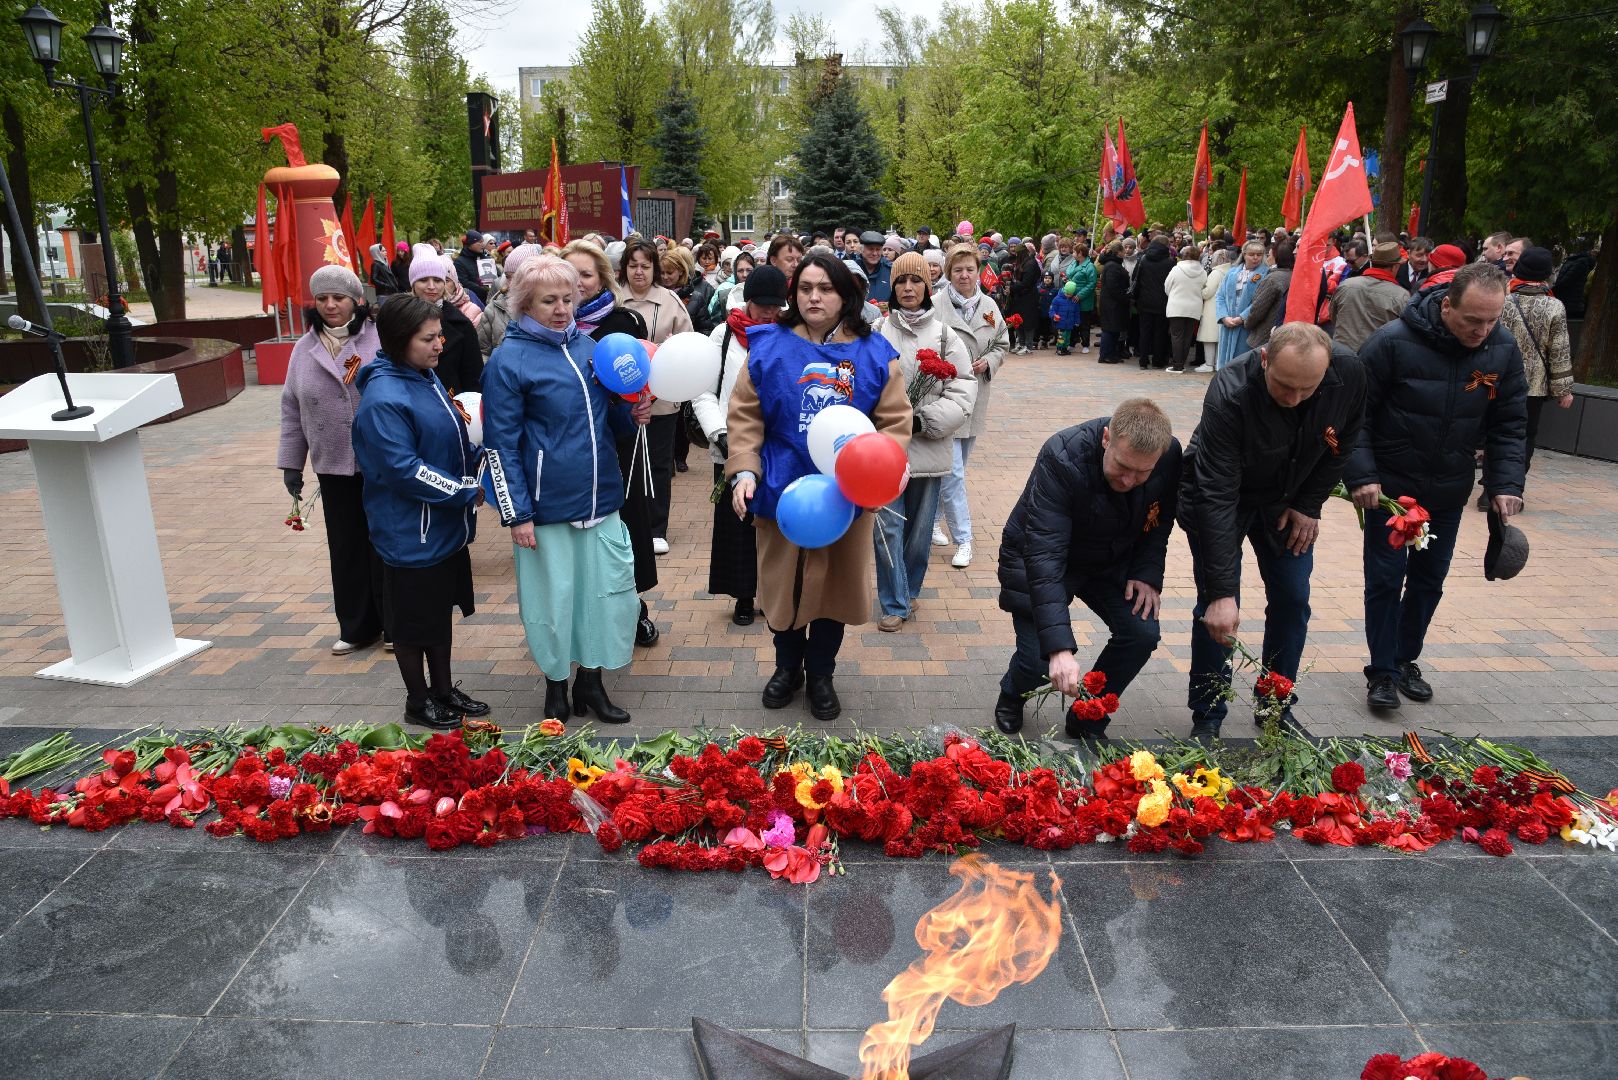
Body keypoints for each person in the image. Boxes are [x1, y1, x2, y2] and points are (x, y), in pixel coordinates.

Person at [726, 252, 911, 720]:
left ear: (845, 294)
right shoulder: (768, 347)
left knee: (835, 588)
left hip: (845, 493)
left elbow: (893, 420)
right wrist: (744, 469)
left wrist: (888, 465)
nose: (814, 296)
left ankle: (822, 672)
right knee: (781, 586)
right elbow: (745, 415)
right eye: (805, 287)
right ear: (793, 294)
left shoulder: (873, 353)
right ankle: (787, 668)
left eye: (825, 288)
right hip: (783, 488)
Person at [1344, 263, 1527, 712]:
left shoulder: (1502, 349)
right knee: (1386, 580)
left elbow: (1509, 424)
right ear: (1447, 306)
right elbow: (1354, 416)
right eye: (1472, 321)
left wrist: (1505, 482)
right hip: (1392, 490)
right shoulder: (1391, 342)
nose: (1482, 330)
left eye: (1492, 321)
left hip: (1447, 490)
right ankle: (1382, 672)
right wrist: (1363, 476)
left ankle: (1406, 659)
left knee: (1429, 582)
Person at [482, 255, 652, 725]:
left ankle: (591, 685)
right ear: (524, 305)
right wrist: (516, 512)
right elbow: (499, 446)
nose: (560, 309)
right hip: (545, 507)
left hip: (600, 500)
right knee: (552, 601)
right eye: (547, 301)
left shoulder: (589, 348)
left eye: (567, 299)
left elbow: (606, 421)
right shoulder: (508, 361)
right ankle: (555, 687)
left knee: (606, 595)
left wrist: (630, 413)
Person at [1180, 323, 1367, 738]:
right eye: (1284, 386)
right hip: (1222, 495)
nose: (1295, 399)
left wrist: (1307, 504)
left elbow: (1345, 441)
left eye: (1308, 389)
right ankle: (1208, 714)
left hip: (1289, 499)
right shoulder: (1230, 392)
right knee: (1217, 612)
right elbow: (1216, 495)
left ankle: (1275, 704)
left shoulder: (1349, 373)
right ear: (1265, 359)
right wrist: (1222, 592)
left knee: (1292, 598)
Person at [994, 399, 1181, 740]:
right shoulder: (1062, 456)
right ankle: (1011, 693)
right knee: (1038, 661)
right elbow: (1045, 554)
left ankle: (1088, 714)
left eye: (1143, 472)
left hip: (1110, 557)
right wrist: (1059, 650)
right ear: (1107, 438)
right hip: (1041, 558)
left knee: (1141, 634)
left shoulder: (1168, 455)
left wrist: (1147, 570)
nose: (1130, 480)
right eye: (1123, 466)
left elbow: (1160, 519)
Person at [351, 296, 487, 730]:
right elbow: (404, 470)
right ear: (398, 341)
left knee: (437, 614)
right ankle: (418, 699)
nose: (439, 345)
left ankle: (444, 690)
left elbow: (447, 437)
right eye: (428, 338)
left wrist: (478, 455)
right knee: (412, 626)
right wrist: (465, 490)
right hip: (412, 532)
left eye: (440, 335)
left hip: (441, 528)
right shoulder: (385, 397)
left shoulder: (424, 376)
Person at [278, 265, 387, 656]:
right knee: (346, 547)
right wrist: (293, 462)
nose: (329, 305)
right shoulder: (303, 348)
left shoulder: (379, 337)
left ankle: (392, 624)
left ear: (356, 300)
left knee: (384, 542)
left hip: (381, 461)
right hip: (334, 462)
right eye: (322, 298)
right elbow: (291, 407)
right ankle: (357, 627)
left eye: (338, 298)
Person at [560, 239, 661, 649]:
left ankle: (633, 609)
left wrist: (639, 405)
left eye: (585, 274)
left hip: (617, 445)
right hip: (568, 450)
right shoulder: (549, 328)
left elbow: (636, 378)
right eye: (570, 274)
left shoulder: (624, 323)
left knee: (624, 531)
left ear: (602, 278)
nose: (578, 283)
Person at [874, 251, 976, 631]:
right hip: (884, 451)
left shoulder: (946, 334)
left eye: (915, 280)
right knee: (887, 527)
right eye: (901, 281)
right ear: (893, 287)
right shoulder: (878, 332)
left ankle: (909, 587)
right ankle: (894, 602)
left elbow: (964, 390)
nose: (908, 287)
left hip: (928, 448)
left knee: (918, 533)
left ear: (927, 287)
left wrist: (924, 419)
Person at [692, 265, 789, 627]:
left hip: (777, 444)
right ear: (748, 300)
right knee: (739, 521)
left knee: (775, 519)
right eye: (762, 304)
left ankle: (773, 591)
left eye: (775, 305)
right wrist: (718, 431)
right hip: (731, 444)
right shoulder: (724, 335)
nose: (768, 311)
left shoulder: (788, 334)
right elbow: (704, 388)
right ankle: (744, 594)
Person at [932, 245, 1009, 568]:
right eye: (958, 270)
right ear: (949, 272)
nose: (964, 276)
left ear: (978, 271)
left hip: (976, 397)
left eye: (970, 269)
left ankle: (934, 520)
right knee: (953, 474)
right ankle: (965, 539)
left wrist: (988, 361)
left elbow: (1002, 342)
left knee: (953, 468)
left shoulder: (989, 305)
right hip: (945, 397)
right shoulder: (935, 305)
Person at [619, 237, 694, 554]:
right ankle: (624, 525)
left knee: (658, 464)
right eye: (633, 266)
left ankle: (655, 527)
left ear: (655, 269)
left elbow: (688, 345)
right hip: (619, 400)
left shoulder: (670, 302)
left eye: (645, 266)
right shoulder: (613, 300)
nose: (639, 272)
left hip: (661, 398)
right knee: (626, 462)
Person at [1498, 246, 1573, 497]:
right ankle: (1513, 487)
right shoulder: (1554, 307)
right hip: (1534, 386)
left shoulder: (1504, 301)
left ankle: (1490, 486)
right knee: (1525, 436)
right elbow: (1559, 351)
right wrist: (1563, 390)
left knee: (1495, 432)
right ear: (1546, 274)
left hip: (1499, 380)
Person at [407, 249, 483, 395]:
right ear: (413, 284)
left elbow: (473, 379)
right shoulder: (400, 320)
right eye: (423, 280)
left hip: (451, 406)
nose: (431, 286)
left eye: (437, 280)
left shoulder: (462, 325)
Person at [1331, 240, 1409, 352]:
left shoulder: (1346, 285)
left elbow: (1333, 317)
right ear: (1394, 267)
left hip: (1341, 354)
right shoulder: (1401, 296)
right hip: (1375, 358)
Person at [477, 244, 544, 358]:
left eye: (518, 276)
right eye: (508, 277)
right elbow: (481, 352)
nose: (512, 283)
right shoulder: (494, 310)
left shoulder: (553, 307)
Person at [1214, 241, 1267, 369]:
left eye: (1259, 255)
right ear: (1244, 255)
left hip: (1248, 325)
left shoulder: (1266, 274)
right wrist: (1224, 317)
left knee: (1243, 362)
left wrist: (1242, 317)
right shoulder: (1232, 272)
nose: (1255, 258)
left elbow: (1261, 301)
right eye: (1252, 254)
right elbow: (1220, 296)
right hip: (1228, 322)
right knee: (1225, 364)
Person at [1130, 238, 1174, 369]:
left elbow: (1135, 279)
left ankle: (1143, 361)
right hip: (1163, 301)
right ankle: (1158, 360)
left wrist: (1136, 298)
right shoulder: (1170, 262)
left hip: (1144, 301)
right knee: (1160, 332)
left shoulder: (1143, 259)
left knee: (1144, 332)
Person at [1244, 239, 1294, 351]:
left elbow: (1258, 309)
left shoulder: (1273, 279)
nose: (1267, 258)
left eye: (1269, 254)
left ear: (1277, 257)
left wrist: (1247, 324)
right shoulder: (1296, 276)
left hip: (1265, 337)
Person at [1164, 245, 1207, 373]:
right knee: (1187, 337)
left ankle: (1177, 365)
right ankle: (1181, 362)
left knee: (1176, 336)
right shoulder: (1203, 271)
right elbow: (1204, 288)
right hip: (1194, 307)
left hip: (1176, 306)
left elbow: (1167, 287)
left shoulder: (1176, 269)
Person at [1194, 250, 1233, 373]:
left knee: (1209, 338)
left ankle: (1209, 364)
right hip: (1225, 308)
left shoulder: (1216, 273)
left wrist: (1201, 290)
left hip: (1212, 309)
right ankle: (1217, 363)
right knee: (1219, 338)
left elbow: (1207, 292)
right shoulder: (1231, 271)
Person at [1097, 242, 1131, 365]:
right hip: (1112, 304)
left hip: (1113, 303)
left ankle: (1112, 354)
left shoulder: (1113, 264)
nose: (1125, 252)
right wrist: (1124, 296)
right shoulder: (1112, 266)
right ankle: (1106, 355)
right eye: (1123, 250)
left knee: (1114, 329)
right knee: (1109, 330)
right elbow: (1113, 287)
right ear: (1118, 252)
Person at [1066, 243, 1098, 354]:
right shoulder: (1073, 263)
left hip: (1084, 299)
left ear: (1080, 253)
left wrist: (1080, 295)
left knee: (1084, 322)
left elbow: (1091, 284)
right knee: (1072, 321)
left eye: (1075, 252)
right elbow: (1069, 274)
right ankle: (1072, 342)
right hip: (1071, 297)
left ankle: (1085, 344)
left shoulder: (1090, 266)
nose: (1073, 254)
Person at [855, 231, 893, 304]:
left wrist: (888, 305)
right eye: (871, 249)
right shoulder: (852, 271)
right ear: (861, 250)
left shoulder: (890, 271)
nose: (875, 253)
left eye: (878, 249)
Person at [453, 231, 488, 304]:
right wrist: (485, 290)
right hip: (473, 301)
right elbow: (464, 282)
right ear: (470, 244)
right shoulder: (459, 262)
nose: (482, 245)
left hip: (489, 299)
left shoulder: (486, 259)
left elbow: (497, 275)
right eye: (479, 242)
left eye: (483, 242)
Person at [1050, 280, 1081, 356]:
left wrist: (1077, 321)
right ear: (1064, 290)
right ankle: (1059, 348)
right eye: (1067, 293)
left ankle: (1065, 348)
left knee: (1067, 337)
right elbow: (1052, 310)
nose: (1068, 295)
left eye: (1070, 294)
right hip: (1060, 323)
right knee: (1061, 337)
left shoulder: (1073, 301)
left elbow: (1076, 312)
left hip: (1069, 323)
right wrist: (1054, 315)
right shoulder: (1057, 299)